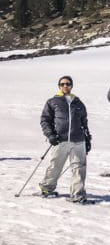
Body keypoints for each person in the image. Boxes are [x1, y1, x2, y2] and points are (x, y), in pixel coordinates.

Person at [39, 75, 92, 203]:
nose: (65, 86)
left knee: (79, 168)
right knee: (55, 166)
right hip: (60, 140)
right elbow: (45, 120)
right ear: (59, 86)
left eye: (68, 84)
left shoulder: (78, 103)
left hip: (78, 140)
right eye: (62, 84)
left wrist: (88, 139)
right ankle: (47, 188)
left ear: (71, 86)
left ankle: (77, 195)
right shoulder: (52, 102)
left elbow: (84, 123)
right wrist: (50, 135)